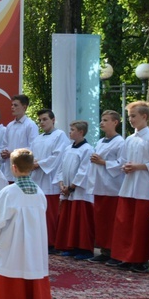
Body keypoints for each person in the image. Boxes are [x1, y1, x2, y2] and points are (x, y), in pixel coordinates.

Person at [0, 148, 54, 299]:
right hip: (35, 249)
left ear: (13, 167)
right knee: (31, 277)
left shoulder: (10, 192)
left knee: (11, 279)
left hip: (14, 246)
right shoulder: (40, 193)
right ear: (31, 168)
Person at [108, 101, 149, 272]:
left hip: (144, 188)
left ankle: (139, 259)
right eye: (129, 116)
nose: (131, 120)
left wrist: (138, 166)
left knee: (139, 226)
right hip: (128, 186)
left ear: (144, 116)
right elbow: (124, 161)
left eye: (134, 116)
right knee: (125, 223)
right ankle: (125, 257)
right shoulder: (129, 139)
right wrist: (125, 167)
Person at [53, 121, 95, 259]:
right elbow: (61, 167)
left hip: (79, 192)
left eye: (72, 130)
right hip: (67, 190)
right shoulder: (67, 148)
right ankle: (70, 246)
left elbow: (84, 171)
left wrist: (71, 187)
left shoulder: (87, 149)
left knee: (80, 220)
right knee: (68, 219)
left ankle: (84, 249)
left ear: (81, 132)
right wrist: (61, 184)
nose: (69, 132)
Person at [88, 110, 126, 263]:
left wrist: (103, 162)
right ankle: (104, 250)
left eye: (105, 120)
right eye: (101, 120)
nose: (101, 123)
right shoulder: (100, 141)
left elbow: (122, 163)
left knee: (111, 221)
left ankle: (114, 251)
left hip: (112, 187)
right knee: (101, 220)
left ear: (115, 122)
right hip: (99, 184)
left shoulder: (120, 142)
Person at [29, 109, 69, 251]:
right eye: (40, 120)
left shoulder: (60, 136)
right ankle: (39, 241)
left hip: (50, 179)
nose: (42, 122)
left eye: (45, 119)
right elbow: (31, 154)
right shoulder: (38, 139)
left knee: (50, 213)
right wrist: (31, 162)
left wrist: (39, 164)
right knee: (38, 212)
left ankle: (51, 242)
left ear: (53, 120)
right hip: (37, 178)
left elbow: (58, 156)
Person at [0, 95, 40, 182]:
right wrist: (4, 151)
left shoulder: (30, 125)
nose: (12, 107)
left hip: (23, 170)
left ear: (24, 107)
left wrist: (13, 153)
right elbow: (4, 144)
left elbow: (33, 148)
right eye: (12, 105)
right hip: (9, 169)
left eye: (15, 105)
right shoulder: (10, 126)